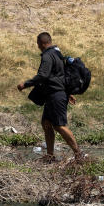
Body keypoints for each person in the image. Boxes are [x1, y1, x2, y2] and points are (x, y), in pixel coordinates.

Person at [18, 32, 83, 162]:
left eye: (37, 44)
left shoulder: (48, 56)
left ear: (41, 43)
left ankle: (79, 154)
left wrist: (26, 84)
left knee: (59, 125)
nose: (37, 47)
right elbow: (61, 75)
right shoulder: (57, 54)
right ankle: (50, 156)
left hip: (55, 95)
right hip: (54, 94)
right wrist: (68, 92)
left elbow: (43, 75)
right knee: (46, 123)